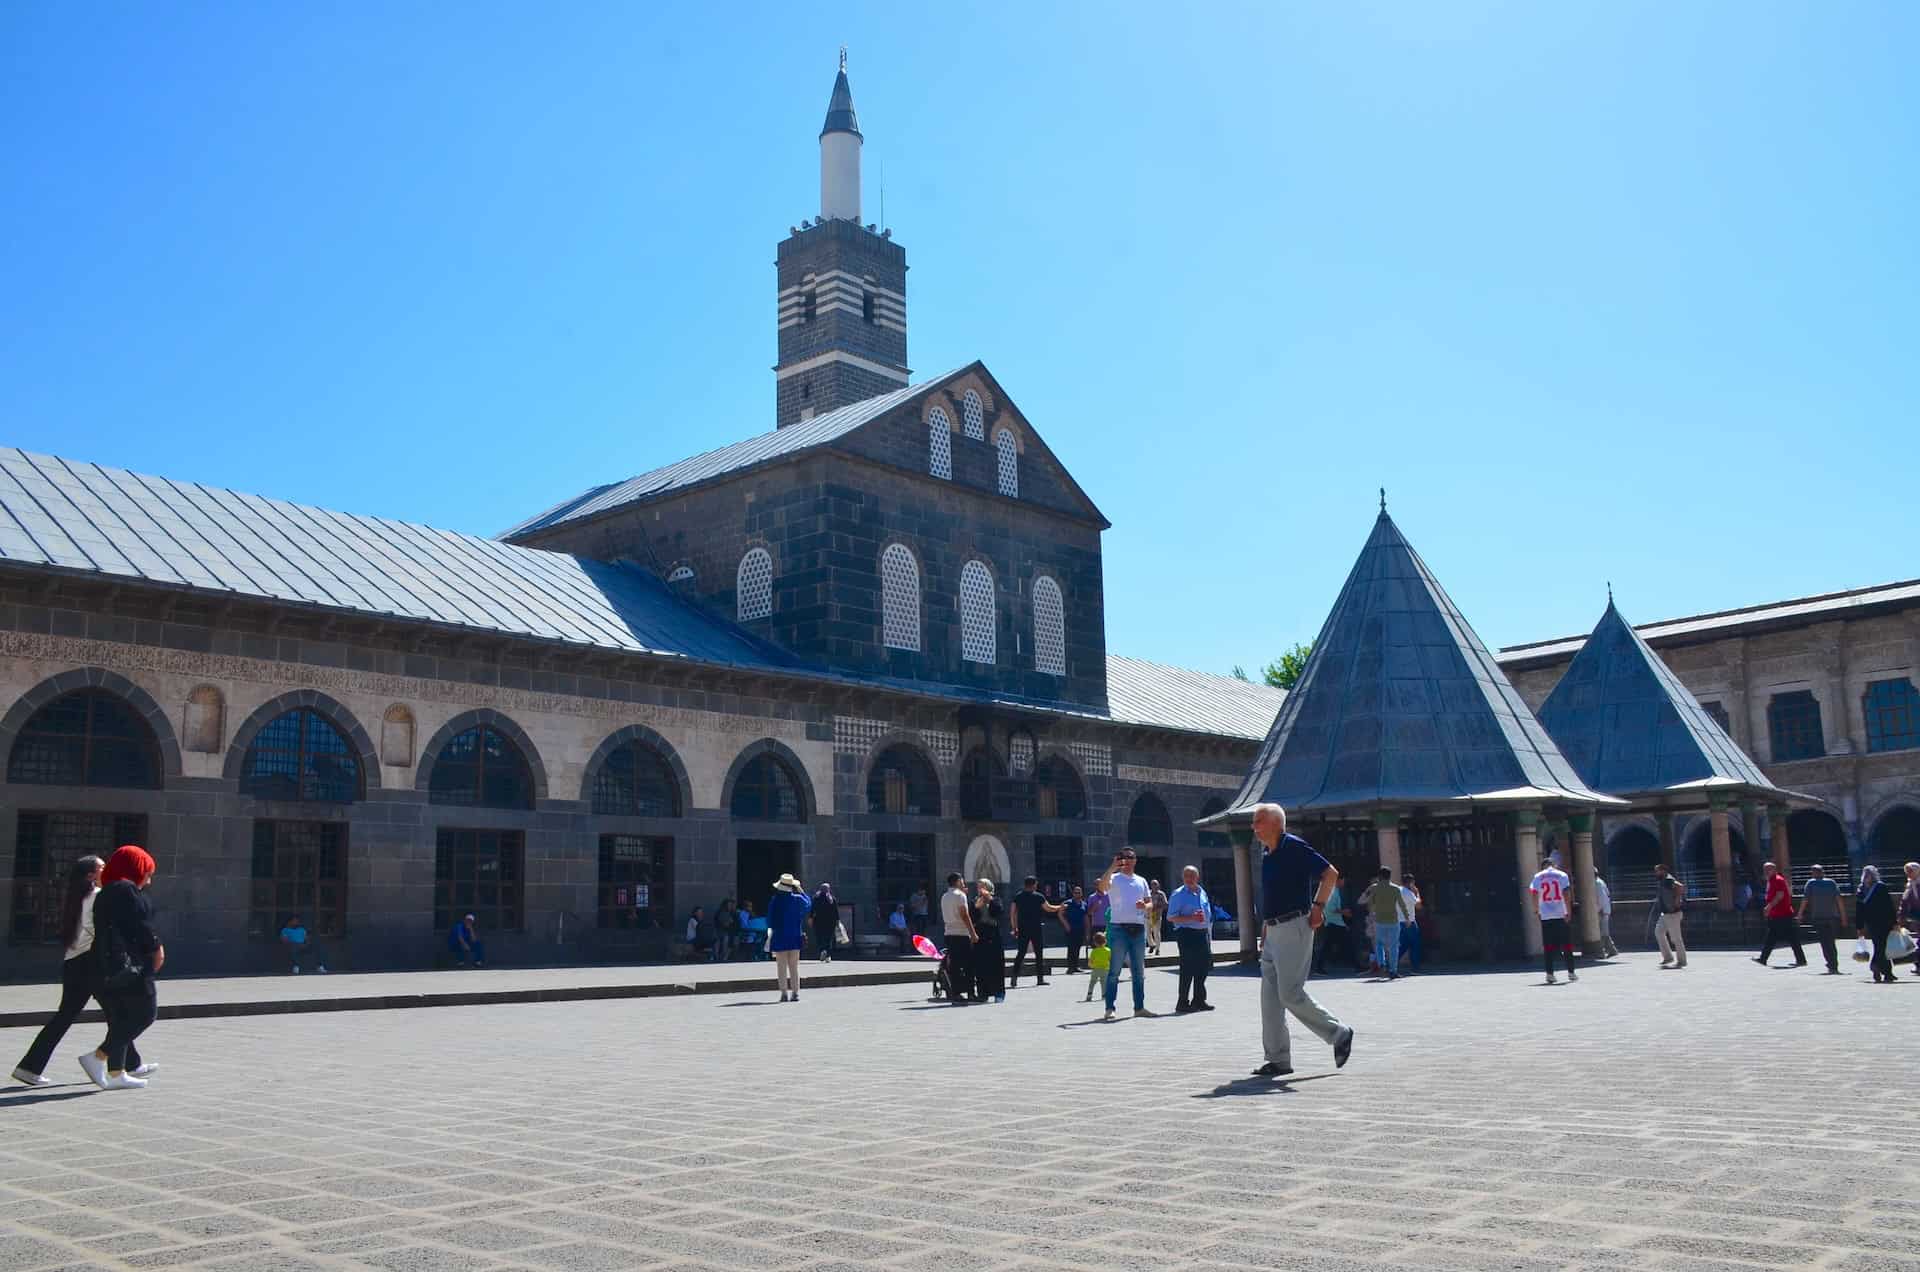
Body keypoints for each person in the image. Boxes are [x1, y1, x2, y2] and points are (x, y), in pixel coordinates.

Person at [12, 855, 146, 1088]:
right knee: (119, 1013)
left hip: (74, 963)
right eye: (102, 868)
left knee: (77, 1015)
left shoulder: (77, 897)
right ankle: (125, 1067)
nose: (107, 871)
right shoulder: (96, 897)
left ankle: (29, 1067)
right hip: (90, 964)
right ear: (91, 875)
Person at [1249, 804, 1353, 1077]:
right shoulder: (1267, 853)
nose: (1254, 826)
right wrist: (1265, 927)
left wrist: (1319, 906)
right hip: (1273, 931)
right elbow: (1273, 894)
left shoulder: (1293, 846)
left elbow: (1329, 873)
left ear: (1275, 823)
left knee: (1290, 993)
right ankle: (1278, 1059)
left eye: (1258, 820)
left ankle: (1338, 1033)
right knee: (1270, 1000)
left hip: (1295, 925)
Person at [80, 845, 164, 1091]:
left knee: (122, 1017)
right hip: (132, 964)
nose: (148, 880)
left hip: (108, 963)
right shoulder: (125, 889)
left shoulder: (108, 891)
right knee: (145, 1014)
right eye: (147, 872)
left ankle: (117, 1072)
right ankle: (98, 1057)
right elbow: (139, 925)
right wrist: (157, 948)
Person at [1099, 849, 1155, 1020]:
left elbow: (1150, 902)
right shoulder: (1114, 878)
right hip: (1118, 929)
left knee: (1138, 972)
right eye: (1124, 858)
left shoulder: (1141, 880)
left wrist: (1144, 907)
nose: (1128, 861)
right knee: (1114, 971)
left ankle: (1139, 1008)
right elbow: (1102, 887)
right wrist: (1112, 867)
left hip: (1138, 928)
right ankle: (1110, 1008)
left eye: (1131, 858)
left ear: (1136, 860)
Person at [1166, 865, 1213, 1012]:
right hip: (1186, 934)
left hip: (1202, 933)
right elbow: (1170, 917)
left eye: (1192, 876)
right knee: (1188, 968)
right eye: (1186, 876)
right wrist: (1191, 917)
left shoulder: (1201, 892)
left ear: (1197, 877)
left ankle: (1199, 1000)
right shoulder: (1178, 894)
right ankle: (1182, 1002)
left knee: (1203, 966)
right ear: (1183, 877)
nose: (1189, 879)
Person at [1529, 858, 1577, 985]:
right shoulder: (1562, 875)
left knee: (1548, 946)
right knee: (1566, 944)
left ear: (1543, 866)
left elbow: (1534, 893)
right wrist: (1568, 911)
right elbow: (1566, 893)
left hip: (1546, 915)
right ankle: (1571, 972)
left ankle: (1550, 974)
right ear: (1554, 865)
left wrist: (1536, 910)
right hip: (1561, 913)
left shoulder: (1538, 876)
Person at [1008, 876, 1062, 988]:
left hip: (1023, 928)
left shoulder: (1018, 896)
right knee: (1038, 953)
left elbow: (1012, 913)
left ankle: (1014, 978)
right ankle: (1040, 979)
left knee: (1021, 953)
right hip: (1036, 928)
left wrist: (1014, 928)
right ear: (1033, 884)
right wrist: (1060, 907)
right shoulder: (1038, 896)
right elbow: (1049, 908)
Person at [1360, 868, 1411, 980]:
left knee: (1379, 944)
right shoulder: (1395, 889)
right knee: (1393, 947)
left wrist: (1373, 909)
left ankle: (1381, 963)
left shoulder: (1374, 888)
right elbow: (1402, 905)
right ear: (1389, 876)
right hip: (1393, 920)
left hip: (1379, 921)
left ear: (1380, 876)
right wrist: (1407, 918)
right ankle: (1393, 970)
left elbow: (1366, 901)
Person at [1753, 861, 1806, 968]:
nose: (1766, 872)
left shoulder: (1778, 880)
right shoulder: (1771, 881)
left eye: (1769, 869)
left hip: (1782, 913)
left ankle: (1763, 958)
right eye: (1765, 869)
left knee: (1775, 936)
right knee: (1787, 937)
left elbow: (1780, 895)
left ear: (1775, 870)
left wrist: (1769, 907)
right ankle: (1801, 959)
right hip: (1778, 913)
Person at [768, 873, 812, 1001]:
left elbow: (770, 921)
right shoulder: (798, 899)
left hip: (779, 936)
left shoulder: (774, 900)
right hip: (794, 936)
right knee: (794, 966)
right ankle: (795, 993)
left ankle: (783, 993)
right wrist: (801, 891)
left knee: (781, 966)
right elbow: (809, 904)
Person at [1798, 864, 1845, 974]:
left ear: (1813, 873)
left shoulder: (1811, 883)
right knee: (1831, 942)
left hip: (1819, 917)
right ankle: (1834, 964)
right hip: (1833, 917)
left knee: (1824, 942)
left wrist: (1800, 914)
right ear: (1823, 872)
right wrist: (1843, 917)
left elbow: (1805, 900)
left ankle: (1831, 963)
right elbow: (1839, 900)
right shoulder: (1831, 883)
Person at [939, 872, 978, 1004]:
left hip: (949, 933)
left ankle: (956, 993)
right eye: (961, 880)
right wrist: (973, 933)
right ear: (957, 881)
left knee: (954, 965)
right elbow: (964, 915)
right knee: (969, 964)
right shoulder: (960, 896)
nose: (963, 882)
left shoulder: (944, 896)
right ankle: (971, 993)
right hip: (961, 933)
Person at [1856, 865, 1898, 983]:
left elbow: (1859, 910)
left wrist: (1859, 926)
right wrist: (1895, 922)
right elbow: (1889, 906)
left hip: (1871, 923)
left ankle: (1886, 972)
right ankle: (1877, 967)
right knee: (1882, 947)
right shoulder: (1881, 887)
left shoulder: (1861, 889)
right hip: (1884, 922)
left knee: (1878, 945)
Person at [972, 879, 1007, 1003]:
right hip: (980, 933)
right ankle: (983, 993)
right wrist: (977, 906)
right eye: (978, 886)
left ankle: (999, 992)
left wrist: (989, 899)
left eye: (982, 886)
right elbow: (972, 916)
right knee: (981, 965)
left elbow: (998, 912)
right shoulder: (975, 900)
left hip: (993, 934)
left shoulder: (996, 900)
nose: (980, 889)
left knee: (996, 965)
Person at [1653, 864, 1687, 969]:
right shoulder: (1663, 880)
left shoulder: (1668, 880)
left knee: (1676, 938)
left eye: (1657, 871)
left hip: (1673, 913)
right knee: (1658, 932)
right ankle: (1668, 957)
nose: (1656, 873)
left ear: (1663, 871)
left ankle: (1682, 961)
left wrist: (1677, 900)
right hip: (1665, 914)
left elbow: (1680, 887)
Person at [1312, 878, 1348, 975]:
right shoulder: (1333, 892)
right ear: (1338, 880)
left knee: (1328, 945)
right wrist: (1344, 912)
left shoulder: (1335, 891)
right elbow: (1331, 908)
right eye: (1343, 880)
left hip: (1334, 922)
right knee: (1327, 945)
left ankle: (1321, 966)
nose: (1344, 882)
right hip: (1332, 922)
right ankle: (1319, 967)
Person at [1061, 885, 1089, 975]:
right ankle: (1070, 967)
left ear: (1081, 893)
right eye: (1076, 892)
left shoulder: (1084, 904)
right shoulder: (1068, 903)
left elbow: (1086, 917)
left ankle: (1076, 966)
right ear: (1073, 893)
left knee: (1078, 947)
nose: (1077, 894)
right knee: (1071, 948)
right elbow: (1060, 914)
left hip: (1080, 928)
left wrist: (1087, 929)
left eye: (1079, 892)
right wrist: (1066, 925)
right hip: (1071, 929)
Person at [1398, 874, 1423, 973]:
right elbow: (1418, 906)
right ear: (1411, 883)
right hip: (1409, 921)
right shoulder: (1409, 893)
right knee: (1415, 944)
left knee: (1403, 944)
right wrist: (1417, 893)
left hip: (1399, 921)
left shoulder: (1397, 890)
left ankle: (1390, 965)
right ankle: (1415, 967)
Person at [1900, 863, 1920, 979]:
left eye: (1911, 871)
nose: (1908, 874)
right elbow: (1904, 901)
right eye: (1907, 872)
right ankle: (1918, 964)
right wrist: (1901, 916)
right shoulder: (1909, 885)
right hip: (1916, 917)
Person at [810, 883, 838, 962]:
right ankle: (828, 955)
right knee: (828, 938)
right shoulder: (832, 899)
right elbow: (835, 911)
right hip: (830, 922)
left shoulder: (816, 898)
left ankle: (822, 950)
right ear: (828, 890)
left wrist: (810, 918)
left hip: (818, 921)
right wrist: (837, 921)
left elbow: (813, 909)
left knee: (819, 937)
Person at [1593, 872, 1618, 958]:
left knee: (1602, 933)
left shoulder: (1597, 883)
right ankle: (1612, 950)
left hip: (1602, 911)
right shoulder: (1601, 881)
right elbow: (1607, 894)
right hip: (1604, 909)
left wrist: (1600, 909)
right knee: (1605, 932)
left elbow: (1601, 898)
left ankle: (1601, 952)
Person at [1083, 928, 1110, 1002]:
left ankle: (1089, 994)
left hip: (1095, 969)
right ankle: (1104, 995)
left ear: (1095, 943)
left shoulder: (1094, 951)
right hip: (1105, 969)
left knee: (1092, 982)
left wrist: (1090, 965)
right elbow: (1110, 959)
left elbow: (1090, 961)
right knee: (1104, 983)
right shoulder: (1108, 950)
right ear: (1105, 941)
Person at [712, 895, 738, 962]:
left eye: (731, 905)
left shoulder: (732, 913)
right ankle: (718, 958)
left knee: (730, 940)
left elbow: (732, 924)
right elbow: (724, 924)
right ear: (725, 905)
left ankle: (724, 957)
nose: (730, 906)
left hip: (728, 932)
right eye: (728, 905)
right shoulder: (721, 912)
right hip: (719, 932)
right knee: (722, 940)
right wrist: (728, 922)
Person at [1146, 879, 1169, 955]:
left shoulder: (1161, 894)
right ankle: (1152, 944)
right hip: (1148, 916)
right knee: (1148, 933)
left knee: (1156, 932)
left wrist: (1159, 906)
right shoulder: (1148, 893)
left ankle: (1157, 949)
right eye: (1153, 884)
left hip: (1157, 916)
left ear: (1158, 885)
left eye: (1156, 884)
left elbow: (1166, 904)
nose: (1154, 886)